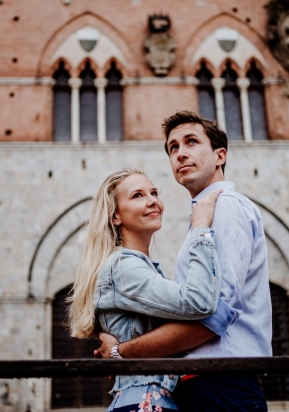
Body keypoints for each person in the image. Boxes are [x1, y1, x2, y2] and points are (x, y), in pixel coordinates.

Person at [95, 111, 272, 412]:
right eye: (173, 147)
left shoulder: (224, 207)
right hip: (204, 385)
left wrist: (121, 352)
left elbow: (212, 316)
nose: (180, 153)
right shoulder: (204, 214)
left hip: (220, 384)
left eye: (191, 142)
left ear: (220, 155)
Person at [68, 167, 234, 412]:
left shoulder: (137, 267)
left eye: (154, 192)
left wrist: (116, 350)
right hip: (144, 402)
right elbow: (199, 302)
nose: (153, 201)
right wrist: (201, 228)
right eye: (138, 195)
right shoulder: (123, 267)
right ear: (115, 217)